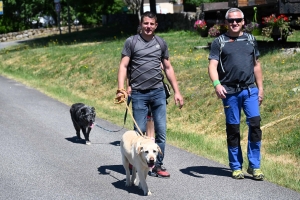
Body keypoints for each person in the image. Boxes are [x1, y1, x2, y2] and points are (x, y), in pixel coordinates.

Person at [116, 11, 184, 178]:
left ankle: (157, 164)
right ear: (141, 24)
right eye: (145, 23)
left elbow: (168, 67)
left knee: (160, 131)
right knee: (138, 134)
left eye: (151, 24)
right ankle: (138, 164)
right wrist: (121, 89)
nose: (148, 27)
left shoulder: (160, 43)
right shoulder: (131, 42)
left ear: (156, 25)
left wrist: (177, 92)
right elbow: (124, 66)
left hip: (158, 93)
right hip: (138, 94)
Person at [208, 8, 264, 180]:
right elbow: (212, 66)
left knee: (255, 125)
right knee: (233, 129)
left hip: (249, 90)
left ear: (243, 22)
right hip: (230, 92)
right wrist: (217, 84)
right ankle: (236, 166)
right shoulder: (220, 42)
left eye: (238, 20)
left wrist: (260, 88)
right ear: (226, 23)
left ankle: (255, 166)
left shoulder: (250, 39)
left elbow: (256, 65)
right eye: (231, 21)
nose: (234, 23)